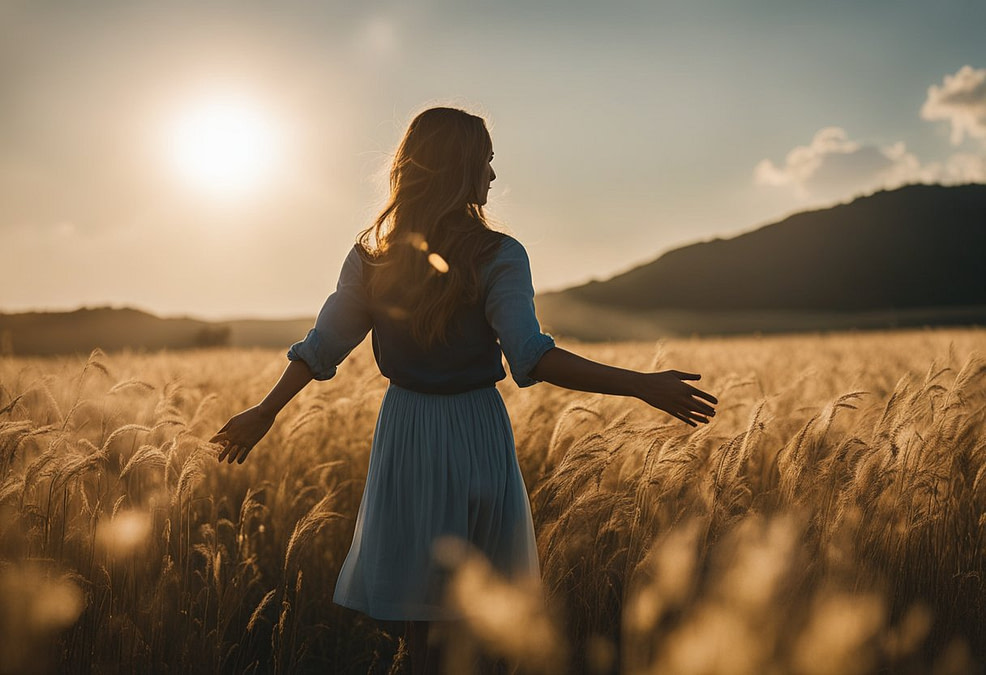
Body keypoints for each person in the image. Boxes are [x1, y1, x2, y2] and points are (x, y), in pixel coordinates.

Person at [210, 106, 717, 674]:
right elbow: (531, 357)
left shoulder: (371, 258)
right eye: (487, 162)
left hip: (405, 433)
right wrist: (641, 384)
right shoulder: (500, 254)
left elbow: (322, 345)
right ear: (460, 166)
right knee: (480, 621)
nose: (494, 177)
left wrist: (267, 410)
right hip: (475, 430)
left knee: (421, 628)